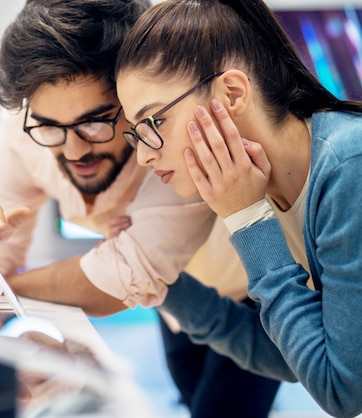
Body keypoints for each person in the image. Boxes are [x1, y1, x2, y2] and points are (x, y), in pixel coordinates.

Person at [0, 1, 280, 417]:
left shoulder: (174, 143)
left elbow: (115, 282)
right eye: (51, 127)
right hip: (175, 298)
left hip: (251, 288)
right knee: (188, 399)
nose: (74, 149)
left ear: (134, 97)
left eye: (95, 122)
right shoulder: (23, 127)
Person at [115, 0, 362, 417]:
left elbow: (342, 390)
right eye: (135, 134)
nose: (143, 156)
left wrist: (248, 219)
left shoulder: (346, 165)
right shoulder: (265, 182)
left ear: (232, 94)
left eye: (154, 123)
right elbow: (295, 356)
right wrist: (161, 282)